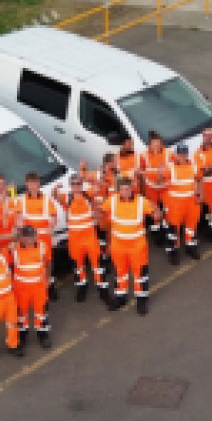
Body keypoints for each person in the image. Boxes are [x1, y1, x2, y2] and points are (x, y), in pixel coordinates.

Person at [97, 175, 162, 314]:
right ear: (118, 190)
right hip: (118, 246)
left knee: (140, 275)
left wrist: (156, 211)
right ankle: (121, 298)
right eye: (123, 189)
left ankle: (142, 301)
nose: (125, 192)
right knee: (120, 273)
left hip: (137, 246)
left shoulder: (141, 202)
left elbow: (157, 215)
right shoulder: (112, 201)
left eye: (128, 189)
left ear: (132, 189)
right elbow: (100, 213)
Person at [58, 175, 108, 303]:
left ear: (81, 184)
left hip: (90, 237)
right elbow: (55, 195)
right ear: (70, 186)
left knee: (98, 265)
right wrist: (56, 188)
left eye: (78, 184)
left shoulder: (88, 195)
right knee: (78, 266)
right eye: (73, 184)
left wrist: (88, 179)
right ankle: (81, 288)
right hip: (75, 240)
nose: (76, 186)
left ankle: (103, 289)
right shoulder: (67, 197)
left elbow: (100, 185)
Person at [13, 171, 59, 299]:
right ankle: (33, 286)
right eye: (30, 183)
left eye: (35, 183)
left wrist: (51, 226)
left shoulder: (46, 200)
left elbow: (54, 217)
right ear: (27, 184)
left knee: (48, 262)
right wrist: (18, 226)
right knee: (32, 262)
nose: (33, 186)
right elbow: (17, 217)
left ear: (39, 184)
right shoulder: (21, 200)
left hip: (44, 237)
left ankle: (49, 285)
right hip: (28, 239)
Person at [12, 225, 52, 349]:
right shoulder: (14, 248)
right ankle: (22, 337)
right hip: (21, 289)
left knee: (41, 314)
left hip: (39, 287)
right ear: (22, 238)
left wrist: (48, 279)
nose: (30, 239)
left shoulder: (43, 246)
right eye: (27, 237)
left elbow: (48, 262)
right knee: (22, 315)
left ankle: (43, 336)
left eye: (32, 236)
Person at [163, 144, 201, 264]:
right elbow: (162, 182)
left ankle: (191, 247)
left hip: (191, 201)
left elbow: (198, 180)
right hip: (175, 203)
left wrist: (199, 195)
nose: (182, 156)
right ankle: (173, 252)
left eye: (184, 154)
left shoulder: (194, 166)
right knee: (174, 229)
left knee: (191, 227)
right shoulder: (170, 167)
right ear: (176, 155)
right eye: (180, 154)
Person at [138, 131, 169, 245]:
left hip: (165, 188)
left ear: (161, 144)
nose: (156, 146)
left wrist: (162, 176)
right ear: (150, 145)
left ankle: (166, 232)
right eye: (154, 144)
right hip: (151, 189)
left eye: (158, 144)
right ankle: (157, 235)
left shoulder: (168, 154)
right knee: (154, 213)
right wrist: (142, 191)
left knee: (166, 211)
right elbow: (141, 173)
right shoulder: (143, 156)